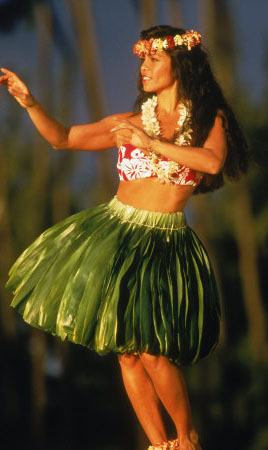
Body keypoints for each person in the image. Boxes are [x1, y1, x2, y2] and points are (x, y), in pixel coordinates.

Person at [0, 25, 248, 450]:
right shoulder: (127, 123)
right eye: (142, 60)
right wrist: (30, 102)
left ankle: (186, 438)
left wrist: (152, 144)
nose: (145, 68)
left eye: (154, 59)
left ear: (180, 63)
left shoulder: (210, 120)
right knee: (127, 351)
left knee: (152, 350)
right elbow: (64, 139)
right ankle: (158, 444)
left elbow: (210, 161)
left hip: (165, 243)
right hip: (116, 235)